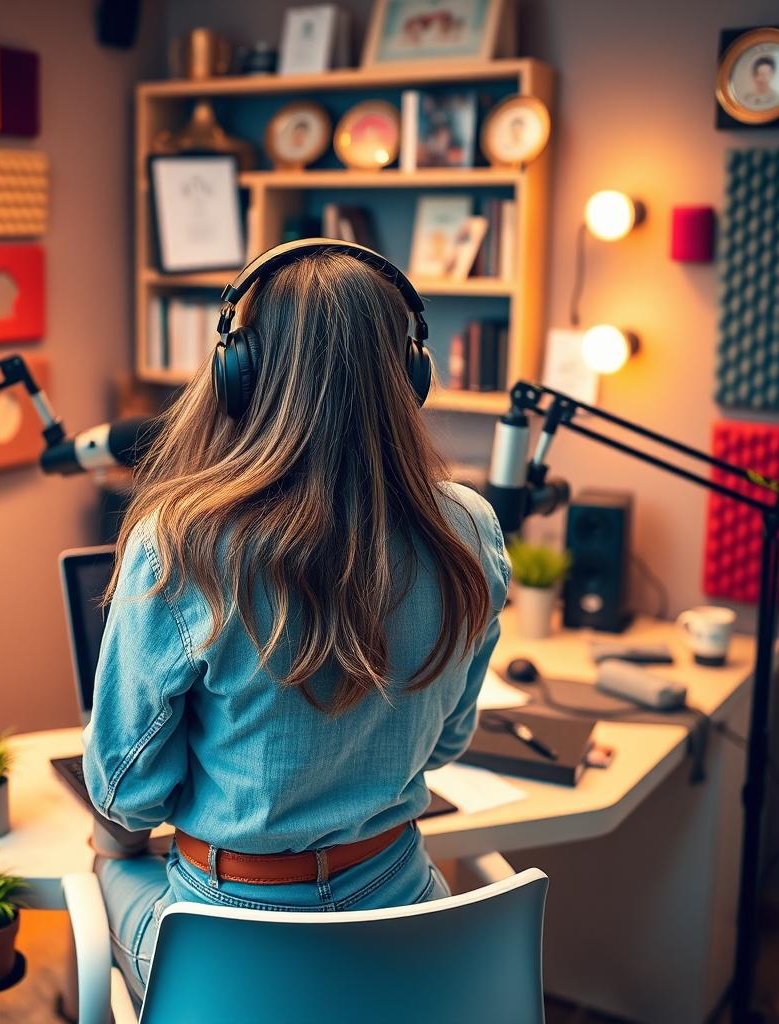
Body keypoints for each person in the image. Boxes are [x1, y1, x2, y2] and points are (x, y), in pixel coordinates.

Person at [82, 244, 511, 999]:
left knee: (109, 854)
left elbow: (127, 792)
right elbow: (444, 746)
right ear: (410, 374)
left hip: (230, 948)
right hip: (404, 922)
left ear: (237, 373)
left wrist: (122, 838)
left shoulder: (180, 542)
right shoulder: (470, 528)